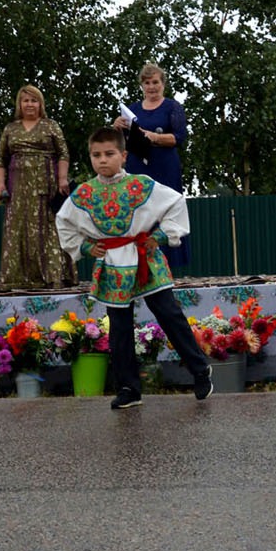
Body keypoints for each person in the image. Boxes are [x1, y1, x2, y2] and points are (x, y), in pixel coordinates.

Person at [55, 126, 215, 410]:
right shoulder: (85, 193)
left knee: (169, 314)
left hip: (144, 258)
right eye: (96, 155)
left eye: (109, 153)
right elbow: (64, 220)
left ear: (124, 155)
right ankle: (129, 388)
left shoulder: (141, 185)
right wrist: (85, 247)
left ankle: (200, 370)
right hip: (113, 263)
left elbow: (176, 202)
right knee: (119, 327)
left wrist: (161, 236)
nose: (102, 160)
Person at [0, 84, 72, 289]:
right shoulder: (11, 128)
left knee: (48, 227)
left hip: (47, 185)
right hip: (17, 189)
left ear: (40, 104)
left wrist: (63, 178)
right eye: (26, 100)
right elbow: (1, 158)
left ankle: (53, 276)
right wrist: (0, 184)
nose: (30, 104)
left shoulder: (50, 125)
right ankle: (16, 279)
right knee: (17, 229)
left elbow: (63, 153)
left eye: (34, 100)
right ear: (20, 104)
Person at [115, 62, 191, 268]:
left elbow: (179, 137)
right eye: (147, 83)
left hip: (164, 166)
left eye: (155, 82)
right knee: (139, 211)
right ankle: (137, 262)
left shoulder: (172, 107)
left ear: (163, 84)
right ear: (142, 86)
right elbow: (121, 143)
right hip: (137, 167)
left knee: (167, 209)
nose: (151, 87)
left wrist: (154, 137)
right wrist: (116, 127)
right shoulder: (132, 110)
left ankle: (170, 263)